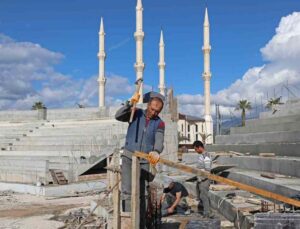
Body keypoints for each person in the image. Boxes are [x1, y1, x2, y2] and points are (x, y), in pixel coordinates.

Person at [115, 91, 165, 228]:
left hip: (144, 161)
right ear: (148, 105)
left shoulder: (160, 123)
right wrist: (129, 104)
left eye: (157, 111)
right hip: (128, 157)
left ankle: (140, 224)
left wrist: (156, 151)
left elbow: (159, 141)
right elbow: (118, 116)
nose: (154, 112)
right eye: (152, 109)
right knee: (127, 192)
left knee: (142, 195)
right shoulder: (135, 112)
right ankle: (128, 223)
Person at [193, 140, 213, 218]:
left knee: (204, 196)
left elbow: (207, 171)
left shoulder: (206, 156)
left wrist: (201, 179)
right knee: (202, 196)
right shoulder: (202, 155)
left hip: (204, 180)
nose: (195, 151)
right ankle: (208, 211)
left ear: (200, 147)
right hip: (201, 179)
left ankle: (207, 213)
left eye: (196, 149)